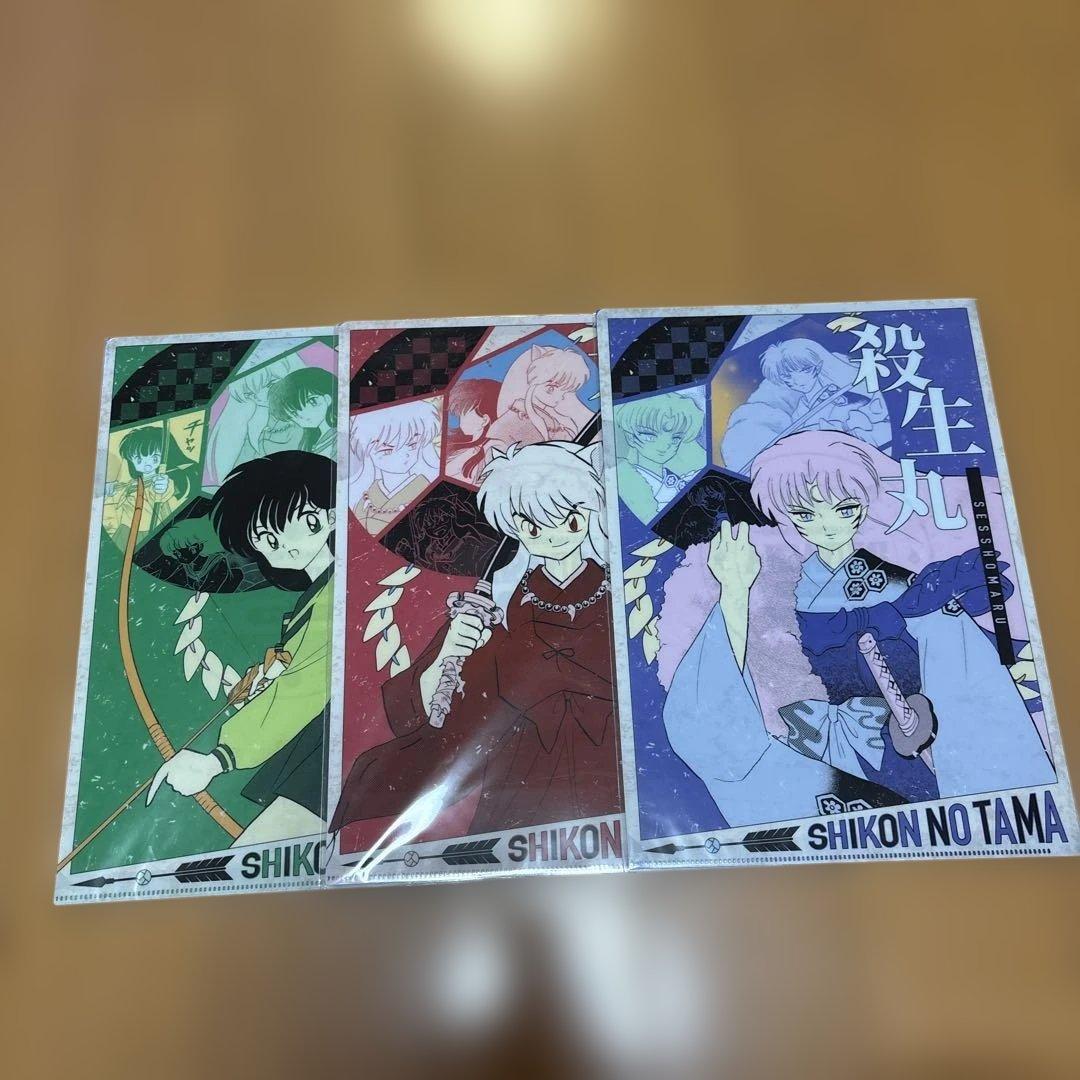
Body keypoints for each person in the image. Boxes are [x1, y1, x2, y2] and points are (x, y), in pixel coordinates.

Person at [663, 431, 1055, 828]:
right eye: (804, 514)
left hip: (906, 748)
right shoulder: (770, 594)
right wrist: (734, 591)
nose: (827, 525)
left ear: (864, 504)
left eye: (844, 508)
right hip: (809, 753)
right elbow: (712, 709)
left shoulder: (911, 591)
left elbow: (970, 685)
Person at [331, 440, 622, 836]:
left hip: (604, 749)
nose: (553, 536)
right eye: (533, 527)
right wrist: (455, 647)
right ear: (514, 528)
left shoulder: (616, 588)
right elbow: (432, 705)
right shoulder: (501, 601)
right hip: (522, 758)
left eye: (569, 520)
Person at [147, 451, 336, 845]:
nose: (281, 544)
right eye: (264, 537)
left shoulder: (338, 590)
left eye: (296, 520)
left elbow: (307, 687)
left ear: (328, 515)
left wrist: (218, 760)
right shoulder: (318, 593)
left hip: (340, 746)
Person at [720, 337, 891, 472]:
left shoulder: (843, 396)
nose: (791, 381)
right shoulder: (801, 409)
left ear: (815, 368)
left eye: (796, 372)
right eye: (785, 377)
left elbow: (869, 429)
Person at [350, 398, 441, 534]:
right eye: (387, 450)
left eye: (412, 445)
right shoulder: (365, 499)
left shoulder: (429, 492)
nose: (404, 455)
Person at [613, 392, 706, 522]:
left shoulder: (683, 479)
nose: (664, 446)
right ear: (631, 437)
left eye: (675, 438)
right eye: (650, 436)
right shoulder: (630, 485)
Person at [484, 343, 594, 451]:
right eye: (562, 392)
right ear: (549, 388)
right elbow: (495, 447)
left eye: (566, 392)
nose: (562, 398)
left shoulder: (555, 423)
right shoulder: (517, 417)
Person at [103, 425, 193, 545]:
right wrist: (110, 487)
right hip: (126, 530)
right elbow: (121, 489)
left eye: (154, 458)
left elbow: (164, 491)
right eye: (139, 460)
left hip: (147, 532)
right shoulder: (133, 483)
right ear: (131, 460)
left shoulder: (160, 480)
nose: (147, 464)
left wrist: (163, 486)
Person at [267, 366, 336, 456]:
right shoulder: (308, 443)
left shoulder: (340, 436)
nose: (303, 414)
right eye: (294, 413)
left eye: (312, 401)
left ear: (327, 399)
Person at [445, 376, 500, 484]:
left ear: (484, 420)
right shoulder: (458, 445)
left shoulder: (488, 454)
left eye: (463, 414)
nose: (459, 420)